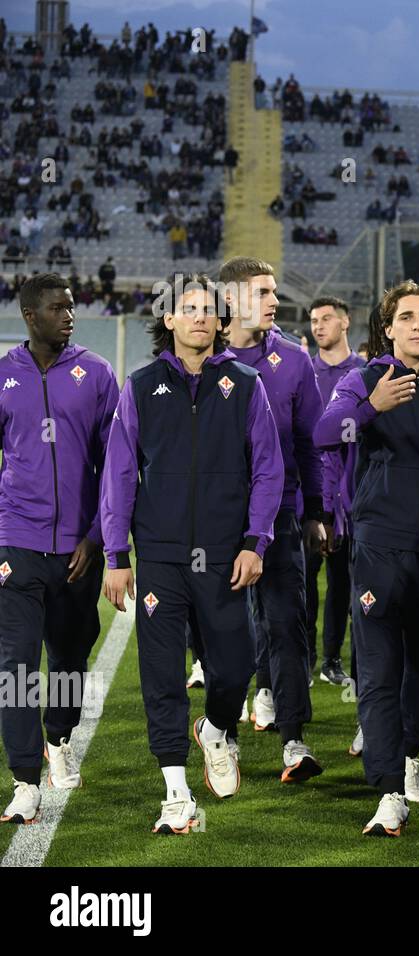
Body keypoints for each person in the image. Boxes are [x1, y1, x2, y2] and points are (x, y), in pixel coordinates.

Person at [99, 274, 283, 833]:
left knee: (235, 665)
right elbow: (120, 473)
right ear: (171, 321)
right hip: (160, 555)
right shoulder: (140, 386)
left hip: (227, 554)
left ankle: (217, 730)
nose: (201, 317)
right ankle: (175, 791)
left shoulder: (247, 384)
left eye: (211, 310)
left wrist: (256, 542)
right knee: (161, 673)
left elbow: (268, 469)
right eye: (190, 309)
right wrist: (115, 554)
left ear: (222, 324)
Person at [314, 281, 419, 836]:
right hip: (378, 545)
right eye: (408, 316)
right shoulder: (364, 379)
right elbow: (324, 433)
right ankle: (388, 789)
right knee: (378, 671)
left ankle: (410, 754)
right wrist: (371, 408)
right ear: (390, 327)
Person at [0, 275, 118, 824]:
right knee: (16, 665)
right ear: (30, 315)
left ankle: (59, 738)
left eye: (70, 307)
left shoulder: (95, 373)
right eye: (56, 308)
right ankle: (24, 778)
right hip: (16, 545)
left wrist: (97, 537)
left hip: (78, 549)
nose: (68, 315)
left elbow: (116, 464)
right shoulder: (3, 375)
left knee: (68, 659)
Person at [219, 256, 327, 782]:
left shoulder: (294, 359)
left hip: (281, 514)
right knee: (225, 630)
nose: (274, 301)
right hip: (216, 521)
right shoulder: (202, 356)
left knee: (287, 623)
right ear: (233, 299)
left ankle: (293, 740)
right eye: (263, 292)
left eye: (273, 291)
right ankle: (225, 733)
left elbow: (308, 441)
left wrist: (317, 511)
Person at [307, 296, 365, 688]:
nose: (318, 326)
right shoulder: (303, 370)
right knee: (304, 582)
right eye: (313, 320)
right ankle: (306, 656)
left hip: (353, 495)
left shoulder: (363, 372)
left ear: (345, 322)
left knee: (345, 584)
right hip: (310, 496)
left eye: (326, 318)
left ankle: (332, 658)